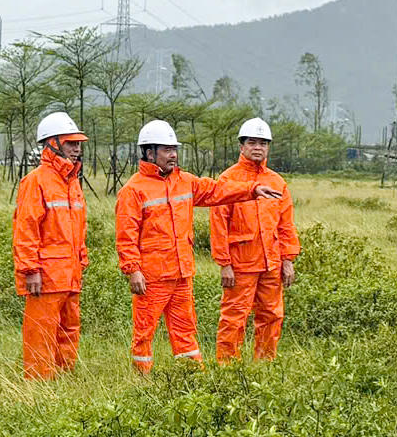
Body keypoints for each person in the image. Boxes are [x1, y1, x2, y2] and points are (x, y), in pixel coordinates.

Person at [113, 119, 282, 373]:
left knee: (185, 329)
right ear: (149, 152)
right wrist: (133, 270)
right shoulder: (133, 190)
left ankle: (191, 377)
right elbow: (126, 235)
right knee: (144, 331)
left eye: (174, 149)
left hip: (182, 274)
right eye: (166, 150)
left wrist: (252, 189)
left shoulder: (185, 181)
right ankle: (141, 381)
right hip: (151, 277)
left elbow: (218, 191)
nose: (173, 155)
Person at [209, 116, 297, 363]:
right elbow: (218, 225)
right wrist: (224, 264)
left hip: (271, 264)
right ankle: (228, 368)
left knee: (272, 315)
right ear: (242, 146)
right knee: (234, 317)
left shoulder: (277, 182)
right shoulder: (228, 180)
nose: (258, 147)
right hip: (240, 265)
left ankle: (265, 365)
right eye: (252, 142)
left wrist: (288, 260)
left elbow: (286, 225)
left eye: (263, 143)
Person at [11, 110, 90, 379]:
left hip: (70, 274)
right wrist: (30, 270)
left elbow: (78, 228)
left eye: (78, 144)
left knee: (70, 328)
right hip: (45, 276)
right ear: (51, 143)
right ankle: (39, 383)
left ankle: (64, 378)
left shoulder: (72, 182)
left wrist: (81, 260)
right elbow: (26, 229)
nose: (77, 149)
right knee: (41, 330)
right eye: (71, 143)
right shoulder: (36, 181)